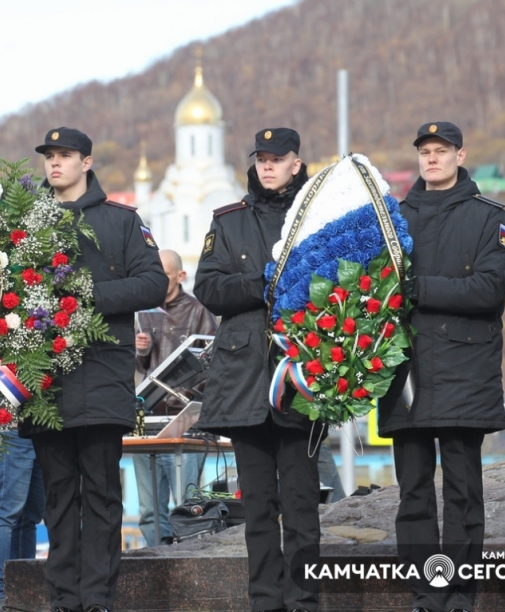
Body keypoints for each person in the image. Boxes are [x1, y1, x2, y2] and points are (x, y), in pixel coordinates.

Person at [21, 127, 167, 612]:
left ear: (86, 162)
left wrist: (86, 296)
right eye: (49, 155)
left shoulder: (120, 221)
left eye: (65, 155)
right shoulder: (24, 222)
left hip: (102, 373)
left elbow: (152, 283)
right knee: (58, 497)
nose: (54, 163)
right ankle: (64, 598)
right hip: (44, 378)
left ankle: (99, 598)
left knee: (102, 494)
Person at [378, 121, 505, 612]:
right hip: (406, 372)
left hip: (464, 370)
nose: (432, 159)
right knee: (412, 492)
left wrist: (420, 289)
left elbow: (490, 290)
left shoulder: (488, 215)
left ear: (460, 155)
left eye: (441, 150)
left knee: (462, 492)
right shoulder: (393, 218)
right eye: (425, 151)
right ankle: (425, 594)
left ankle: (459, 594)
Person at [194, 127, 318, 612]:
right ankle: (265, 600)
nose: (267, 166)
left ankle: (304, 600)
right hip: (245, 379)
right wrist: (263, 283)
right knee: (258, 505)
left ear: (295, 163)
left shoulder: (319, 217)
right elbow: (209, 288)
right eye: (261, 158)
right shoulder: (229, 220)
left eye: (277, 158)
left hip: (301, 375)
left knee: (302, 503)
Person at [133, 249, 216, 546]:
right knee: (149, 510)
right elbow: (137, 367)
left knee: (186, 505)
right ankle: (156, 559)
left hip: (184, 420)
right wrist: (140, 351)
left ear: (181, 276)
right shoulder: (142, 310)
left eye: (164, 275)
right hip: (148, 418)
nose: (157, 281)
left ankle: (187, 558)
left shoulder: (198, 310)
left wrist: (191, 400)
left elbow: (210, 361)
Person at [0, 432, 45, 611]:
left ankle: (22, 593)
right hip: (10, 430)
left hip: (42, 433)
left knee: (28, 517)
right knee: (1, 512)